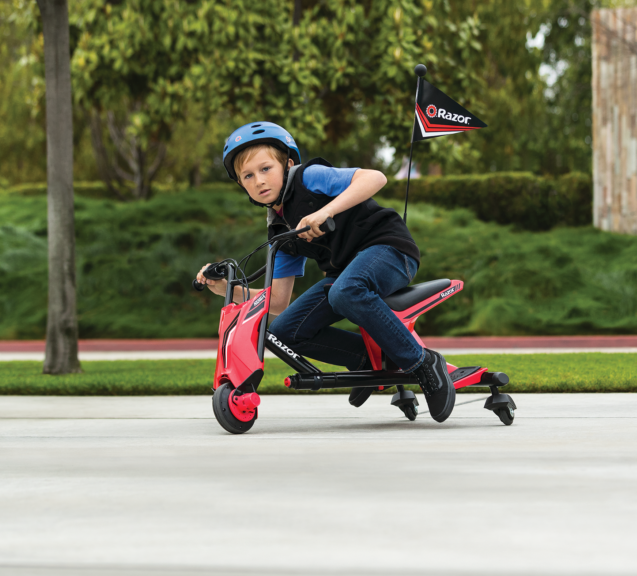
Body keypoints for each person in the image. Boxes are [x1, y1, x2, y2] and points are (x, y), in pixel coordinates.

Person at [195, 122, 456, 422]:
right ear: (242, 185)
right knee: (283, 332)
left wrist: (326, 210)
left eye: (266, 169)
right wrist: (224, 288)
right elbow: (277, 301)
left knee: (346, 290)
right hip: (344, 276)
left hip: (389, 250)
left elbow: (375, 177)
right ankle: (370, 362)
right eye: (248, 176)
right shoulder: (278, 229)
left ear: (288, 164)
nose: (259, 181)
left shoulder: (308, 177)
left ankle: (423, 363)